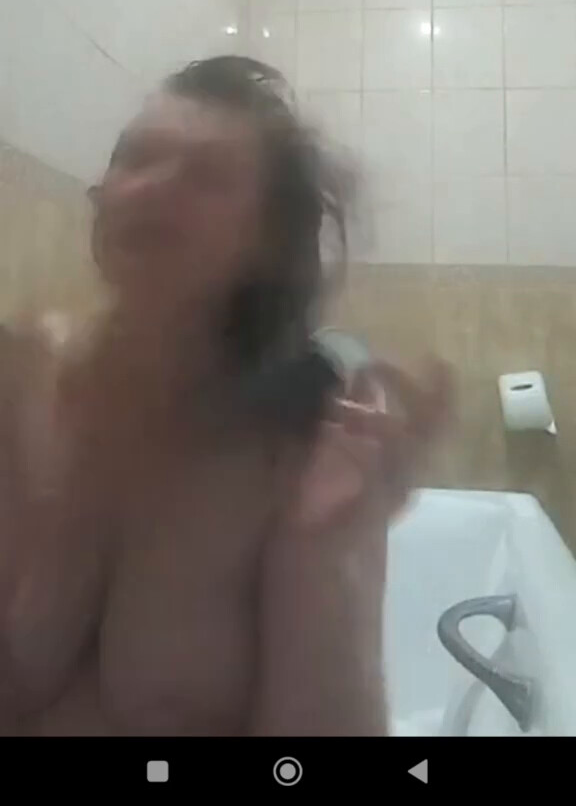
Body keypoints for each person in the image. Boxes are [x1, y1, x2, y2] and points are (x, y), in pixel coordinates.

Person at [0, 56, 450, 736]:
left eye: (207, 176)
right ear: (100, 195)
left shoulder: (303, 448)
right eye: (135, 158)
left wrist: (323, 553)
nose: (153, 188)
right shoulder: (22, 379)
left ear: (268, 242)